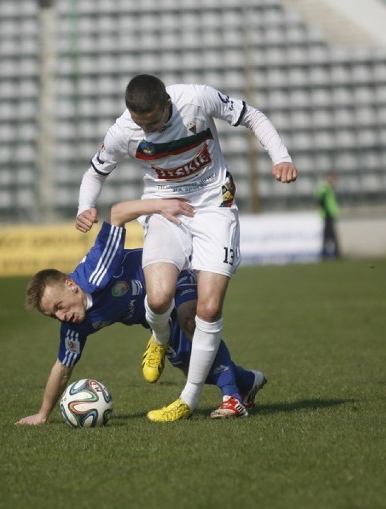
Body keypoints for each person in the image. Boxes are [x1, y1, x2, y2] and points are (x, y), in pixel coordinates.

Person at [74, 74, 296, 422]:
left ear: (167, 105)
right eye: (138, 122)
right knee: (159, 299)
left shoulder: (196, 99)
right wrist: (85, 206)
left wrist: (280, 157)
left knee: (205, 309)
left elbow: (251, 115)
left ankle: (189, 399)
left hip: (213, 207)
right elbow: (95, 173)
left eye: (152, 122)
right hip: (164, 208)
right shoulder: (122, 131)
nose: (145, 130)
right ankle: (159, 339)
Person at [16, 198, 267, 425]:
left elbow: (117, 213)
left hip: (173, 273)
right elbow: (62, 368)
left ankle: (232, 398)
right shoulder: (74, 325)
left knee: (191, 319)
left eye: (59, 307)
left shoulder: (97, 270)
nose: (61, 317)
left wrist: (160, 205)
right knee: (192, 365)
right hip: (155, 318)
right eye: (53, 315)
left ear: (71, 286)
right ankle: (247, 381)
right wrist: (42, 414)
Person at [316, 173, 340, 260]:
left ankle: (326, 254)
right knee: (330, 235)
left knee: (328, 235)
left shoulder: (328, 188)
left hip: (329, 214)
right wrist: (326, 211)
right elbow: (321, 200)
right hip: (327, 214)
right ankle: (334, 254)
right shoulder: (325, 187)